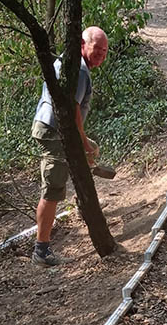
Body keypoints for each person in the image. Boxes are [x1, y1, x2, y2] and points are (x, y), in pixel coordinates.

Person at [31, 27, 109, 266]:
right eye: (97, 49)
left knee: (90, 151)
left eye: (105, 52)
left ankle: (84, 201)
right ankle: (41, 251)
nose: (101, 56)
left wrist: (87, 146)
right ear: (83, 45)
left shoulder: (70, 63)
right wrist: (82, 142)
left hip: (53, 127)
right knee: (53, 189)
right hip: (54, 130)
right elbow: (72, 111)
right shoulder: (78, 71)